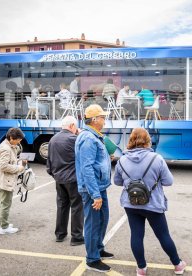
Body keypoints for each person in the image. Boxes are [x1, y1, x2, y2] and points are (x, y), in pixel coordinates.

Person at [114, 127, 187, 276]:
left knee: (136, 235)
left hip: (131, 203)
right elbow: (168, 181)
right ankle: (178, 265)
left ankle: (141, 268)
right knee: (163, 235)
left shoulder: (122, 159)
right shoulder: (157, 158)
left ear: (131, 140)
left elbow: (117, 182)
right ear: (148, 140)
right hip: (153, 204)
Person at [75, 104, 113, 272]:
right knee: (93, 223)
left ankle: (97, 248)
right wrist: (95, 194)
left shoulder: (95, 136)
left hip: (99, 187)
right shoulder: (88, 138)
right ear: (95, 119)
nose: (105, 120)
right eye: (103, 117)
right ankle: (92, 258)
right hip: (93, 189)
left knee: (103, 220)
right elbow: (87, 168)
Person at [47, 116, 84, 245]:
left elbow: (49, 161)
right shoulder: (74, 139)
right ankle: (77, 237)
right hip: (73, 179)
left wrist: (54, 174)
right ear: (72, 125)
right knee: (77, 207)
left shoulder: (53, 139)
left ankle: (60, 234)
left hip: (59, 178)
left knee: (62, 206)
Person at [0, 128, 26, 235]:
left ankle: (0, 224)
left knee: (3, 203)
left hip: (2, 179)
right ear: (11, 138)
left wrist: (19, 159)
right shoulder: (6, 148)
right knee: (6, 204)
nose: (19, 142)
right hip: (4, 180)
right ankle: (4, 227)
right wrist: (19, 168)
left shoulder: (9, 145)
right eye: (18, 140)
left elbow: (9, 161)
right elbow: (3, 166)